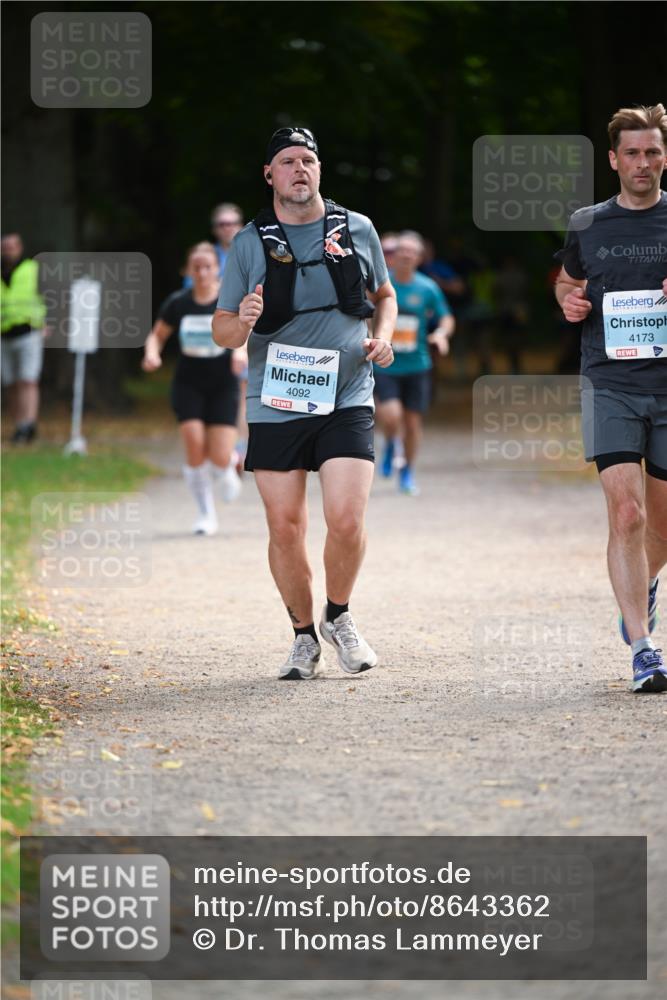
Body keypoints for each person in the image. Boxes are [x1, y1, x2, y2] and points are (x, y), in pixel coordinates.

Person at [212, 126, 397, 680]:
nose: (300, 169)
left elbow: (383, 296)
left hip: (347, 392)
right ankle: (302, 636)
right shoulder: (248, 243)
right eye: (288, 161)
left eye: (308, 160)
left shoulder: (357, 228)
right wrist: (239, 321)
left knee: (345, 518)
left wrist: (383, 336)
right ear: (270, 174)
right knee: (285, 525)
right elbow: (222, 331)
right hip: (277, 399)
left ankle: (338, 615)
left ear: (319, 169)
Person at [554, 103, 667, 694]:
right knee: (628, 513)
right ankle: (644, 650)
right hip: (612, 384)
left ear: (664, 156)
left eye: (652, 152)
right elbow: (569, 281)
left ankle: (643, 583)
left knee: (661, 528)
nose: (642, 162)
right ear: (613, 160)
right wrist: (569, 302)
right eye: (632, 153)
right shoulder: (588, 223)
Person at [143, 242, 245, 535]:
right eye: (196, 267)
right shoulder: (179, 303)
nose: (202, 273)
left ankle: (228, 466)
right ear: (189, 270)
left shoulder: (230, 301)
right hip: (189, 383)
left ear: (217, 269)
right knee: (194, 445)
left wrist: (241, 352)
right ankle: (205, 514)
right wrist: (153, 353)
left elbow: (247, 332)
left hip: (223, 383)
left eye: (207, 267)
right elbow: (157, 335)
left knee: (220, 454)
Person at [374, 230, 454, 495]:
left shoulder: (427, 288)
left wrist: (441, 334)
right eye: (401, 250)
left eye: (412, 251)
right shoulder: (382, 285)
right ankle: (389, 444)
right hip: (386, 364)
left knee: (412, 422)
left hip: (417, 365)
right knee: (391, 414)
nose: (406, 255)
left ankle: (407, 470)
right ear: (392, 256)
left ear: (420, 258)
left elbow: (446, 318)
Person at [1, 233, 46, 443]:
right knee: (11, 383)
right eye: (5, 246)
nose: (8, 250)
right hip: (3, 334)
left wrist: (48, 322)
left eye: (12, 246)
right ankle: (19, 425)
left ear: (20, 247)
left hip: (29, 331)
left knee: (28, 380)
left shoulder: (32, 269)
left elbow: (49, 295)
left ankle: (29, 424)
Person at [183, 203, 244, 289]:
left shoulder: (255, 254)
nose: (227, 228)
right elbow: (190, 288)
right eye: (222, 224)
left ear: (241, 226)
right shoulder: (201, 255)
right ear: (214, 229)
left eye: (232, 223)